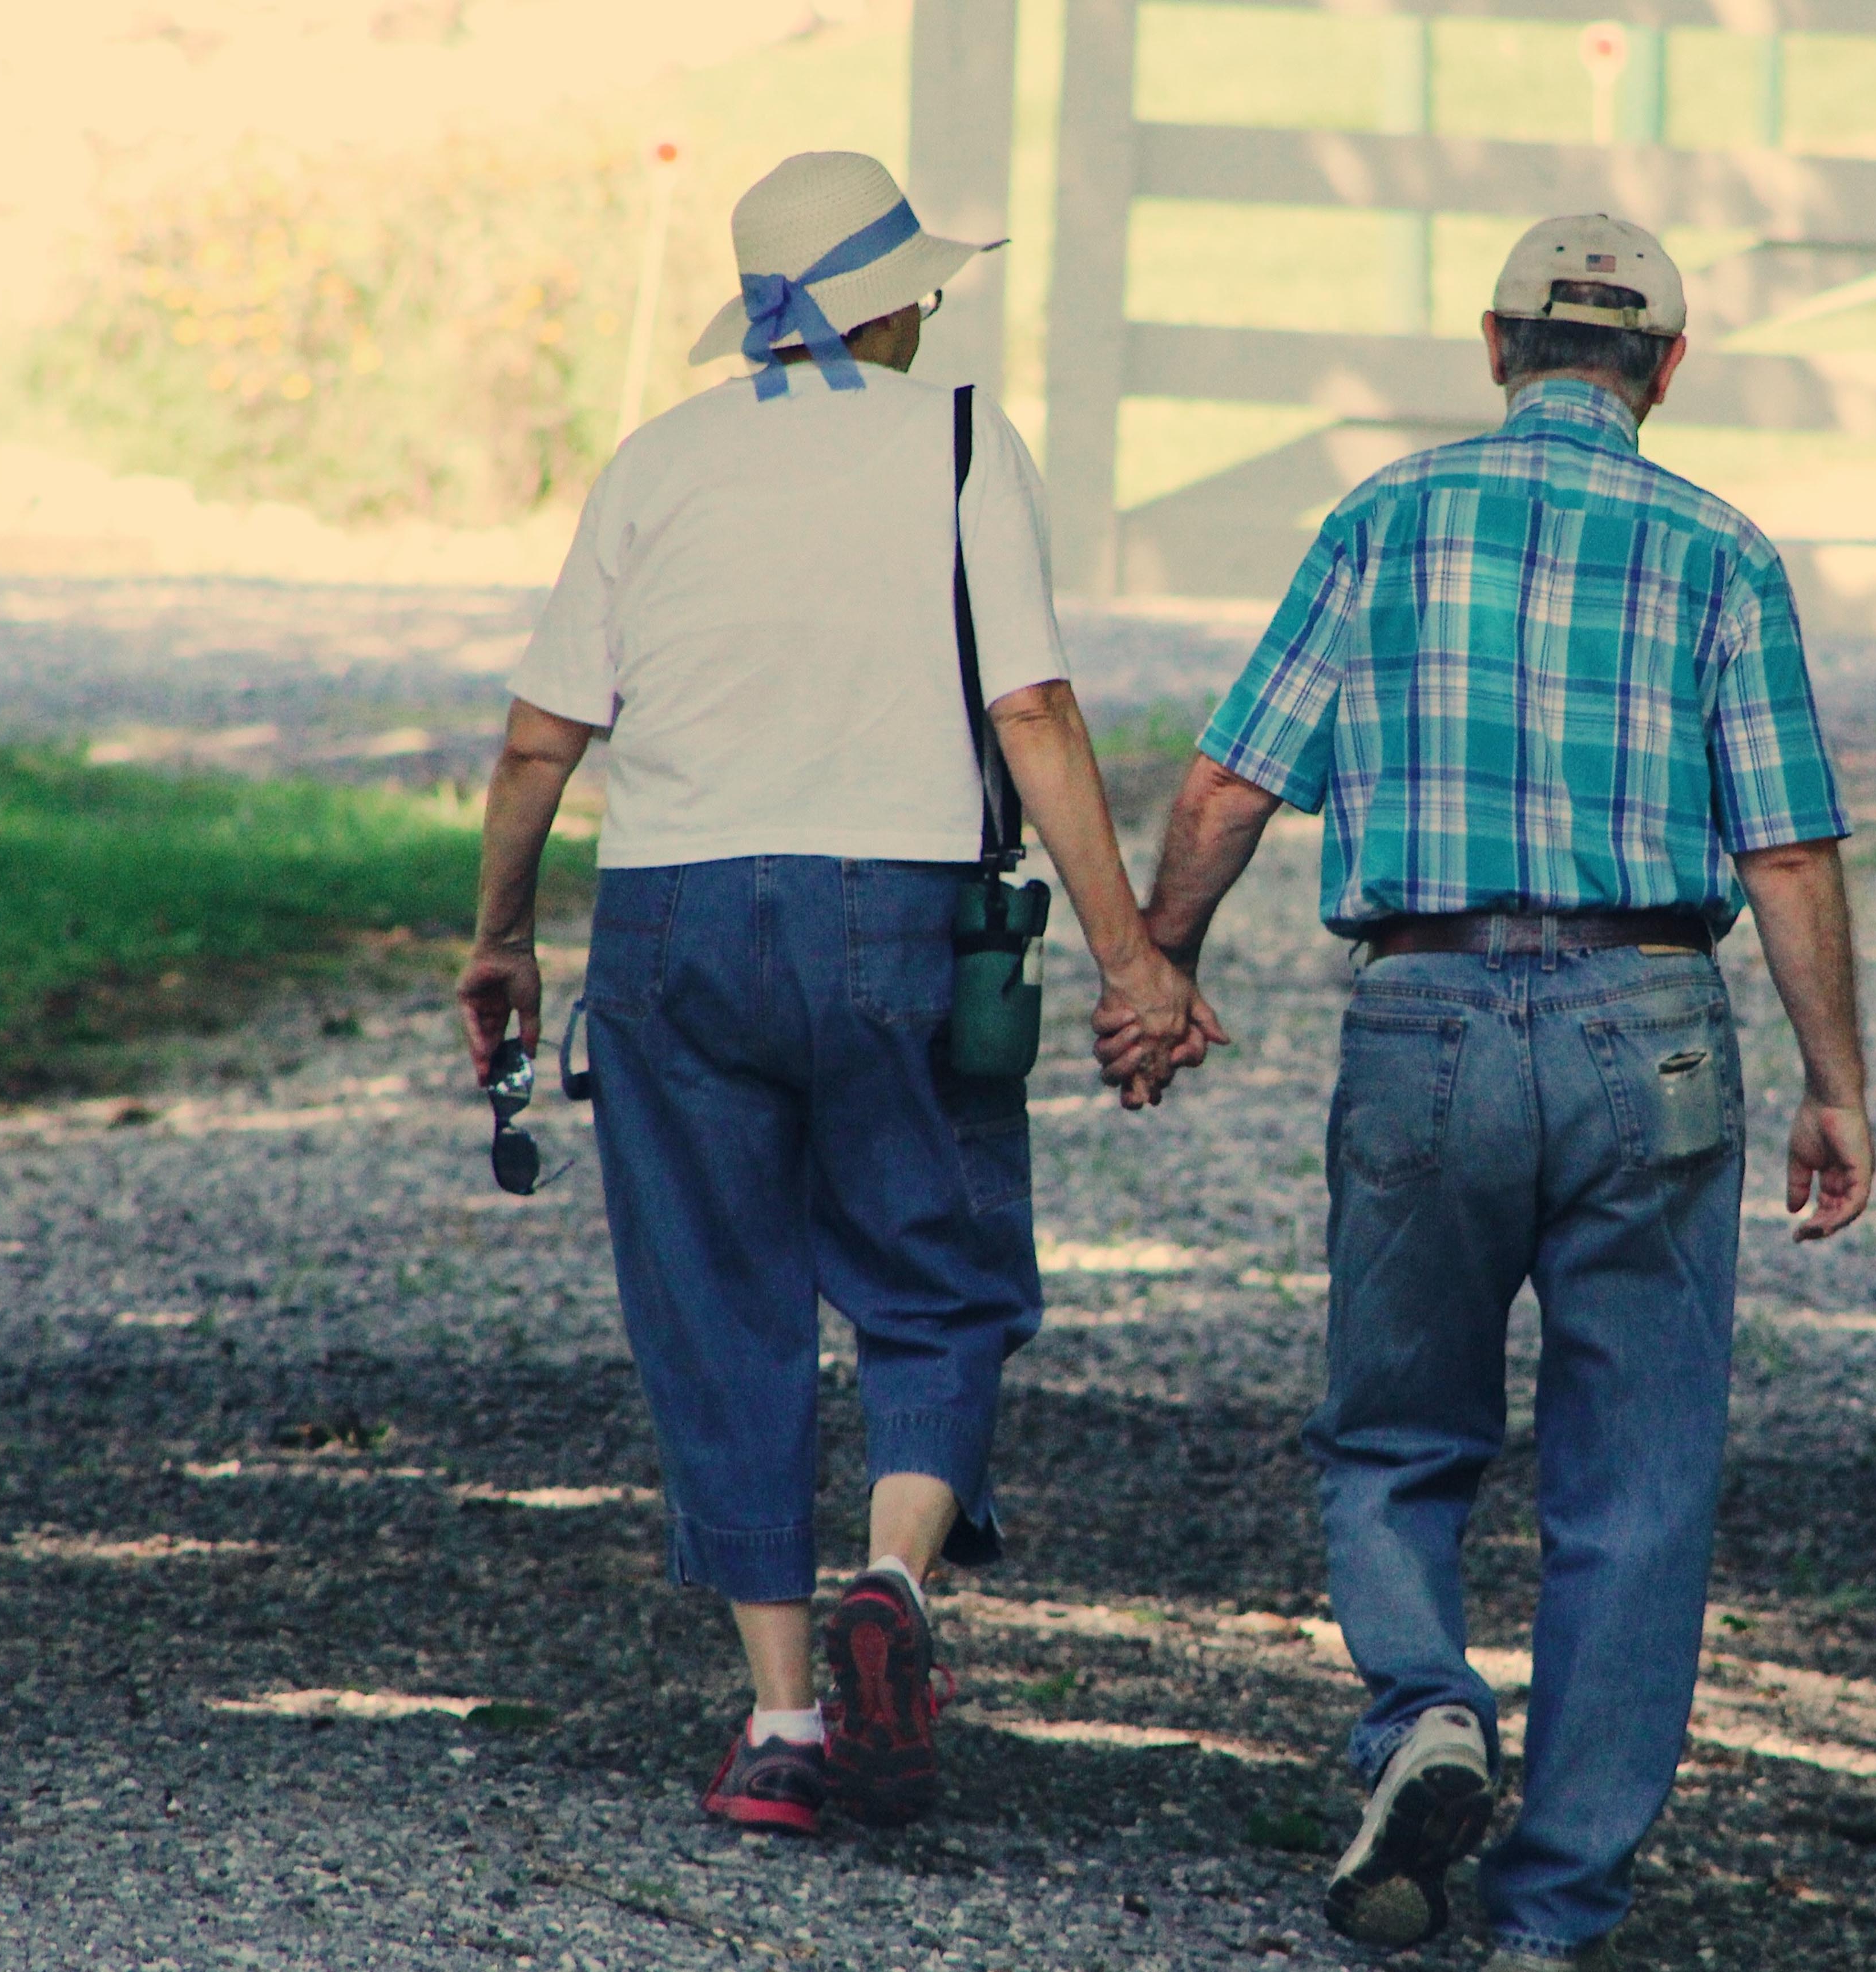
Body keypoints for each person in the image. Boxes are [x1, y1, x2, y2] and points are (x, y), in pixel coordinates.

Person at [1098, 215, 1875, 1969]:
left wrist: (1160, 971)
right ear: (1667, 369)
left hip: (1426, 1012)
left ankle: (1425, 1714)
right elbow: (1791, 850)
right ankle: (1555, 1915)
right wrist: (1838, 1085)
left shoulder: (1382, 523)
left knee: (1393, 1433)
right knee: (1641, 1482)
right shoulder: (1721, 553)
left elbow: (1231, 788)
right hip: (1651, 1021)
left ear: (1495, 346)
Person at [455, 151, 1205, 1838]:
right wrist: (1130, 958)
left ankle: (786, 1722)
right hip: (896, 908)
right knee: (934, 1278)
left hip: (673, 924)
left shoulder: (653, 464)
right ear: (886, 302)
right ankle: (897, 1575)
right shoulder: (955, 441)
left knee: (719, 1308)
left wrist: (501, 936)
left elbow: (536, 738)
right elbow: (1032, 712)